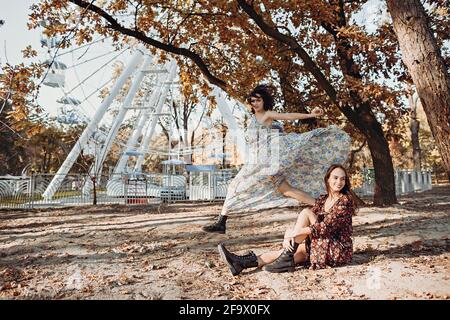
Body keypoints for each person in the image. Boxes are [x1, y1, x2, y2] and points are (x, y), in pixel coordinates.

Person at [202, 84, 351, 234]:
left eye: (258, 100)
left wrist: (310, 115)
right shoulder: (253, 117)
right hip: (262, 161)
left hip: (264, 161)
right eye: (252, 100)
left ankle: (222, 222)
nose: (255, 103)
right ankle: (327, 206)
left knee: (235, 185)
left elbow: (289, 116)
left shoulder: (267, 115)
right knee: (286, 190)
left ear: (264, 101)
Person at [218, 164, 356, 275]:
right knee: (285, 255)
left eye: (343, 179)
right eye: (335, 178)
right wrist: (289, 233)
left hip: (337, 248)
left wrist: (294, 233)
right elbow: (308, 224)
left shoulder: (345, 201)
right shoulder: (322, 200)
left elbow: (325, 227)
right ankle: (241, 263)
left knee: (306, 212)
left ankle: (284, 257)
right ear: (328, 179)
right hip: (323, 244)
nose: (339, 182)